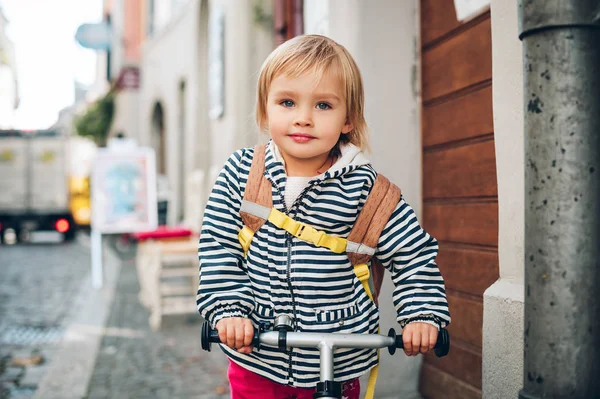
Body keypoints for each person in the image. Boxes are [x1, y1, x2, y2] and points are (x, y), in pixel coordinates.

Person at [196, 34, 450, 399]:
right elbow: (218, 247)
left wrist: (423, 315)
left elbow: (414, 256)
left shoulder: (369, 192)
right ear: (266, 111)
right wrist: (228, 310)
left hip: (338, 357)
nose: (303, 119)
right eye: (287, 102)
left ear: (349, 120)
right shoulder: (242, 174)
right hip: (258, 356)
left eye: (323, 106)